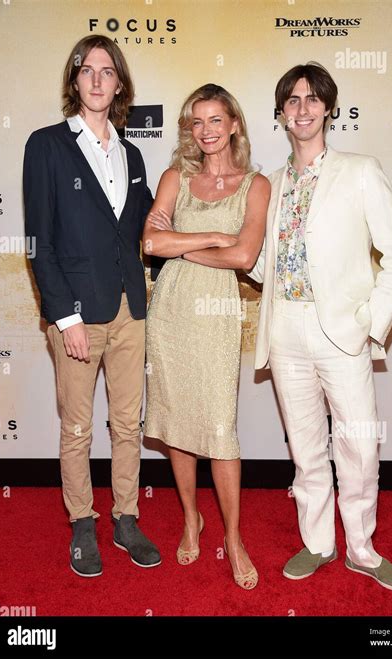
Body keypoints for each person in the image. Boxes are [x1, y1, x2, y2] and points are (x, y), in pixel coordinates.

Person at [247, 62, 392, 592]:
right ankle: (318, 542)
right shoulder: (267, 185)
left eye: (312, 99)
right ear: (281, 114)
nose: (302, 108)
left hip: (342, 331)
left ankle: (362, 549)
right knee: (306, 447)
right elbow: (259, 263)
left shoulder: (361, 170)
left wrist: (370, 327)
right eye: (292, 100)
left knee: (359, 446)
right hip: (285, 330)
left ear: (328, 108)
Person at [23, 35, 160, 577]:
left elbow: (144, 226)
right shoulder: (47, 145)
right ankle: (83, 524)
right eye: (88, 70)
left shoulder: (132, 153)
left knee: (128, 424)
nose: (98, 79)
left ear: (120, 83)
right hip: (77, 313)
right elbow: (40, 241)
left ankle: (125, 519)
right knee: (77, 428)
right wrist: (65, 316)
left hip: (130, 308)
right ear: (75, 80)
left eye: (108, 71)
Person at [143, 83, 270, 590]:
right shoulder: (176, 176)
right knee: (176, 421)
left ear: (234, 124)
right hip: (170, 313)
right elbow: (151, 241)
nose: (207, 130)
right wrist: (214, 236)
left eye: (216, 120)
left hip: (217, 313)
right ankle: (191, 519)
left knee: (220, 429)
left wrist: (185, 247)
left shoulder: (255, 184)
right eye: (197, 122)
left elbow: (244, 257)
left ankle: (233, 537)